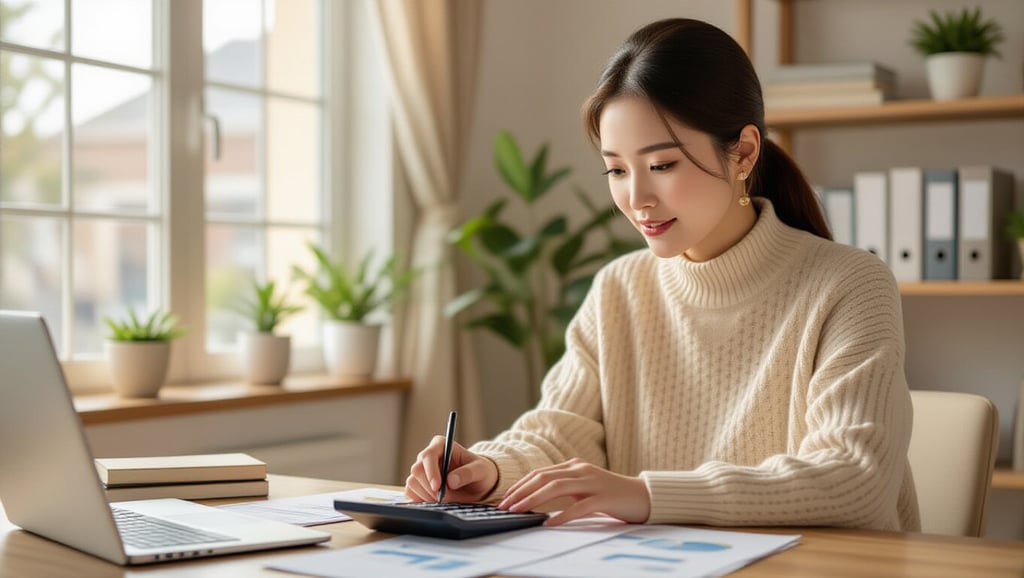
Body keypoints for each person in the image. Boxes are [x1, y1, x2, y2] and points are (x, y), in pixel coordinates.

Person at [404, 17, 920, 532]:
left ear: (743, 153)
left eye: (663, 165)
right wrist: (489, 469)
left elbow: (854, 477)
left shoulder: (849, 284)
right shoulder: (620, 289)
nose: (636, 199)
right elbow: (561, 434)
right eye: (617, 170)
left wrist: (646, 495)